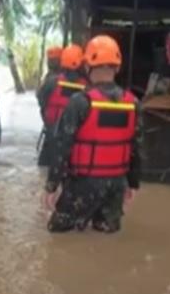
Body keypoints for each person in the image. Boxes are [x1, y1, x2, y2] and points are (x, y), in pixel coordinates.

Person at [43, 35, 142, 234]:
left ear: (88, 66)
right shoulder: (133, 104)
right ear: (117, 67)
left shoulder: (80, 102)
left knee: (59, 234)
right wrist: (132, 184)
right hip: (115, 185)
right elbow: (136, 149)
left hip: (83, 184)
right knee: (105, 236)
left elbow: (62, 146)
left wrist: (51, 186)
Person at [36, 44, 87, 167]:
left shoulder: (51, 82)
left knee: (44, 167)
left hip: (52, 135)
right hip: (75, 141)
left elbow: (41, 100)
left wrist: (47, 119)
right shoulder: (87, 87)